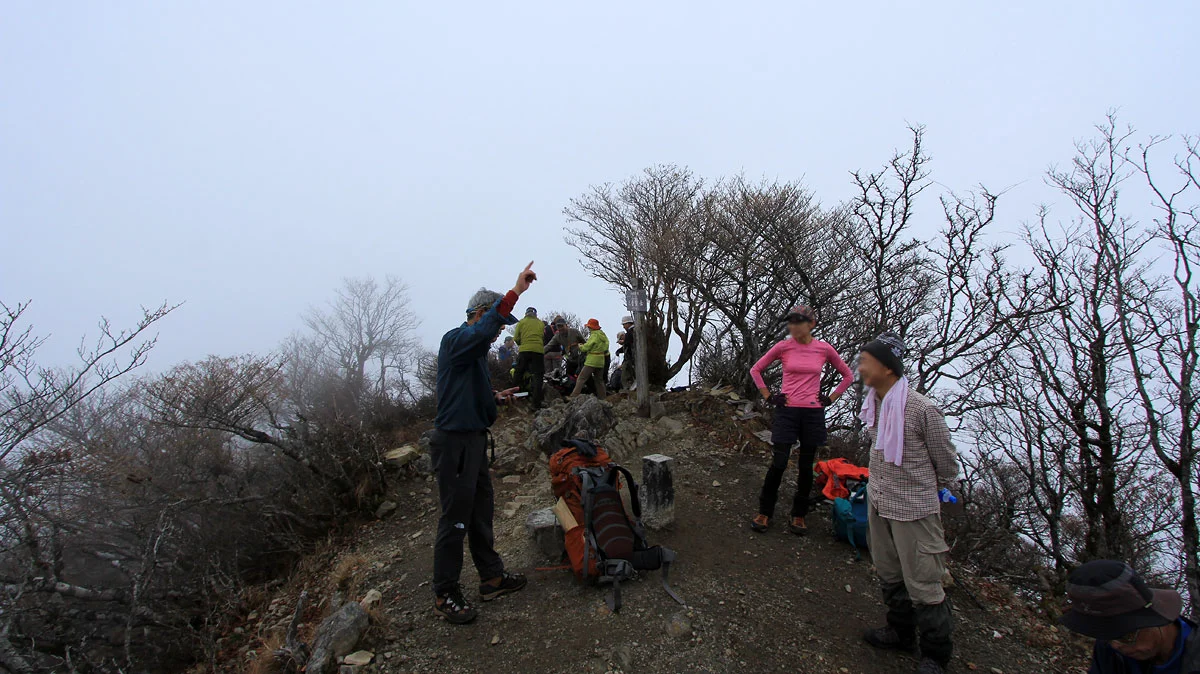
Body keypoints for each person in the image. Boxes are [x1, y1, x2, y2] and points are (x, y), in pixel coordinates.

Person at [430, 262, 536, 625]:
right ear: (478, 314)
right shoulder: (456, 340)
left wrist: (495, 397)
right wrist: (514, 294)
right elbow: (479, 335)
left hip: (472, 442)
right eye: (495, 326)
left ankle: (491, 577)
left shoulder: (471, 354)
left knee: (480, 513)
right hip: (454, 444)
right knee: (455, 519)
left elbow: (470, 395)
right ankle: (445, 593)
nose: (496, 336)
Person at [857, 331, 959, 674]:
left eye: (866, 360)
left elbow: (946, 463)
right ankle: (900, 633)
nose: (860, 366)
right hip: (880, 501)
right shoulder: (874, 401)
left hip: (914, 508)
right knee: (889, 572)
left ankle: (935, 655)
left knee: (924, 583)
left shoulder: (922, 409)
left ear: (887, 367)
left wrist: (936, 487)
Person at [748, 306, 853, 536]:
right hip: (787, 411)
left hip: (812, 413)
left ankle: (799, 514)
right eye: (791, 322)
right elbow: (756, 370)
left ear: (811, 324)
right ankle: (765, 511)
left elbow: (848, 376)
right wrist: (769, 396)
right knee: (779, 462)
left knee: (806, 467)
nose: (793, 326)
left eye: (798, 322)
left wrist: (830, 398)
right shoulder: (784, 347)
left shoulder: (823, 349)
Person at [1060, 560, 1198, 673]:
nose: (1116, 646)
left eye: (1127, 636)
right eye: (1107, 637)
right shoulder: (1109, 651)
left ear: (1155, 617)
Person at [512, 307, 545, 409]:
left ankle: (512, 397)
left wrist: (522, 344)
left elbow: (516, 338)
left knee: (518, 372)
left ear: (526, 313)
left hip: (524, 350)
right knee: (538, 376)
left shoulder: (521, 322)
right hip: (538, 351)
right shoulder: (541, 323)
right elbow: (542, 337)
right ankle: (536, 404)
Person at [571, 318, 609, 399]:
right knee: (599, 380)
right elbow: (606, 347)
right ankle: (603, 398)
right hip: (601, 360)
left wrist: (580, 346)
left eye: (589, 327)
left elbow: (586, 348)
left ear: (591, 327)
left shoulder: (594, 335)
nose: (588, 328)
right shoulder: (602, 334)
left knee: (581, 378)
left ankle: (574, 396)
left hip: (592, 360)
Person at [617, 316, 637, 390]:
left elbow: (628, 344)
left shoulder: (630, 331)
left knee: (625, 376)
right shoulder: (635, 330)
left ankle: (628, 390)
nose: (623, 327)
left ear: (628, 323)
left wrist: (623, 344)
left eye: (624, 324)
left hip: (631, 357)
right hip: (633, 357)